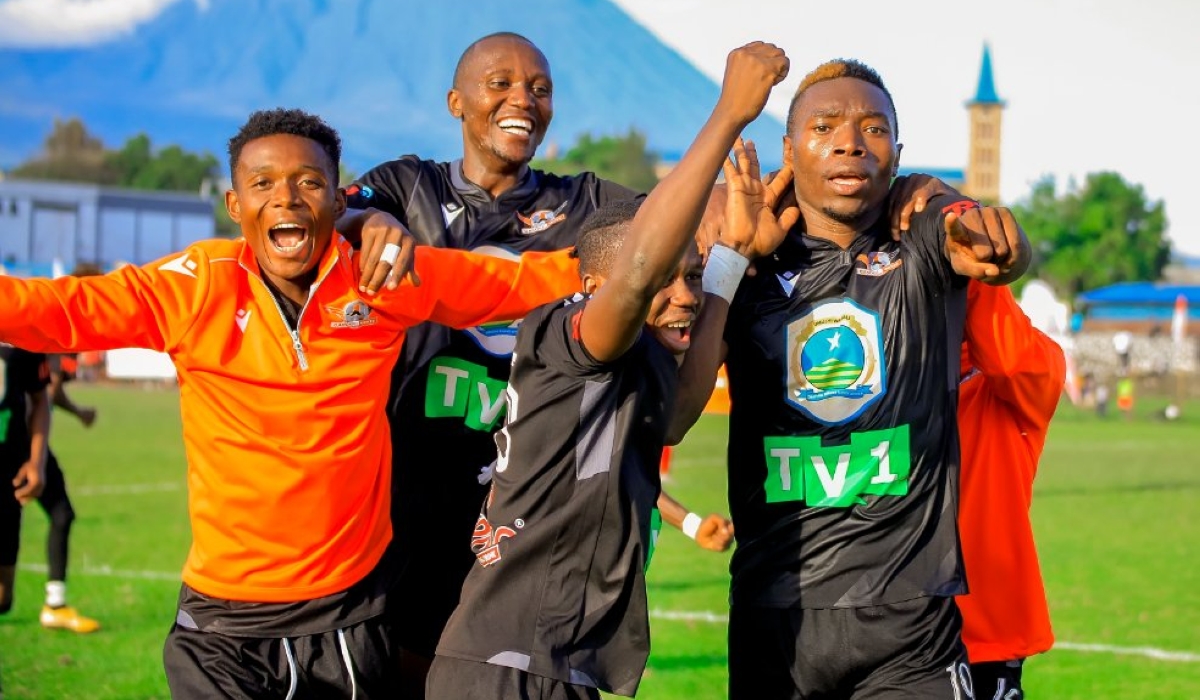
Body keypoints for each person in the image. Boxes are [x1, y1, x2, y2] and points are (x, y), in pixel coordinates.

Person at [0, 107, 583, 699]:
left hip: (348, 621)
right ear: (235, 206)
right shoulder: (196, 285)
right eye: (263, 183)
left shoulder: (380, 280)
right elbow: (56, 310)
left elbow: (519, 282)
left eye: (309, 182)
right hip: (223, 632)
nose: (286, 198)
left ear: (338, 201)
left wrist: (627, 261)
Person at [338, 31, 734, 691]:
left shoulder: (585, 204)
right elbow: (321, 216)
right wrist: (365, 222)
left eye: (540, 88)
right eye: (501, 84)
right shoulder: (405, 187)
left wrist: (717, 198)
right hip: (412, 508)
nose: (523, 98)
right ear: (455, 102)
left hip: (526, 528)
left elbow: (666, 224)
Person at [425, 41, 791, 699]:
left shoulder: (637, 363)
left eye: (692, 278)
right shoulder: (562, 338)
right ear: (593, 286)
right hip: (507, 665)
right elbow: (639, 270)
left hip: (557, 664)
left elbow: (678, 416)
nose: (684, 296)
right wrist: (729, 114)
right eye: (666, 280)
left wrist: (732, 255)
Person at [671, 58, 1030, 699]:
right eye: (825, 126)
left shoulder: (920, 238)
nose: (849, 142)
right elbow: (673, 416)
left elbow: (985, 245)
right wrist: (728, 259)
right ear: (788, 151)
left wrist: (995, 237)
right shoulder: (748, 264)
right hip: (776, 621)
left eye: (873, 128)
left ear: (898, 155)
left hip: (911, 627)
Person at [957, 281, 1064, 700]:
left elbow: (1007, 358)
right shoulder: (890, 368)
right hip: (890, 624)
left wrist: (971, 268)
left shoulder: (1036, 364)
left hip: (986, 636)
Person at [0, 345, 51, 619]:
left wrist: (37, 462)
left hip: (8, 473)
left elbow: (41, 399)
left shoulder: (22, 337)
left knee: (3, 597)